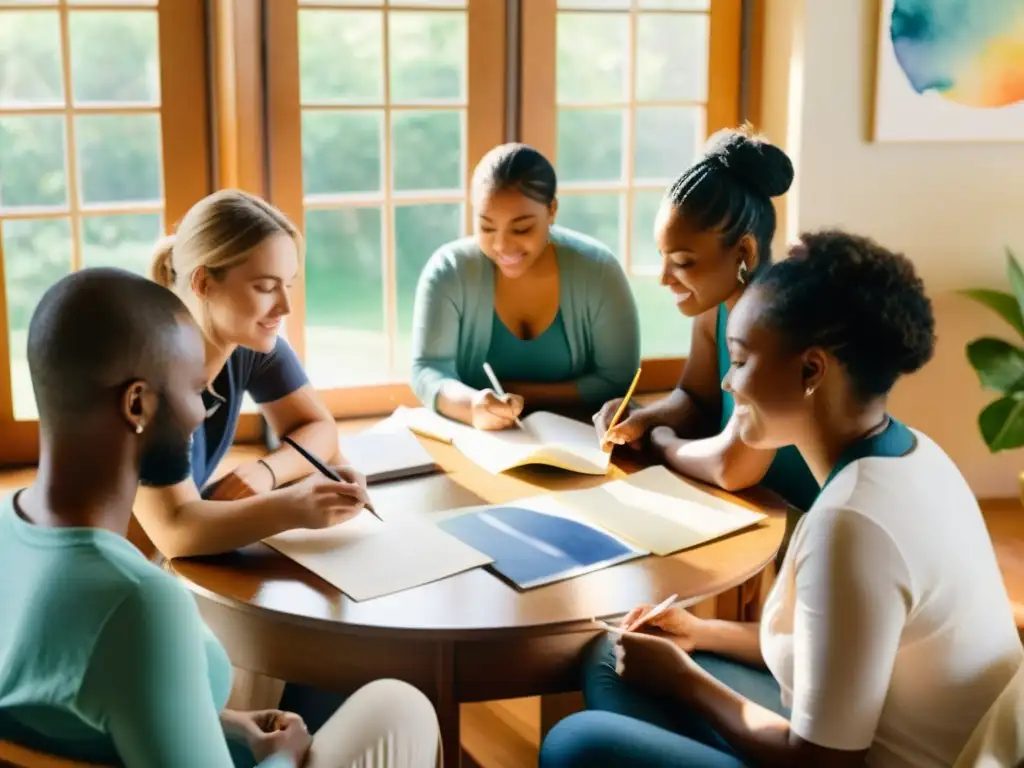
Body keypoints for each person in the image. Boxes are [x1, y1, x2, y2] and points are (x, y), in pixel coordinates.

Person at [541, 231, 1024, 767]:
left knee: (575, 743)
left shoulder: (853, 524)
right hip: (866, 731)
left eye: (741, 360)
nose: (726, 382)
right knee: (613, 658)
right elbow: (837, 649)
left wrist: (683, 682)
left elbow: (821, 763)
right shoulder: (917, 455)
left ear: (811, 371)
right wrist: (701, 633)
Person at [0, 268, 440, 767]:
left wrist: (220, 723)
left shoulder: (6, 527)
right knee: (403, 708)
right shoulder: (138, 603)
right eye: (195, 391)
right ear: (137, 404)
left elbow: (69, 709)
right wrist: (287, 757)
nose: (201, 414)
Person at [135, 189, 370, 559]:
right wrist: (293, 507)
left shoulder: (249, 343)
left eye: (288, 285)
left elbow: (321, 430)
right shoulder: (151, 371)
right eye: (265, 287)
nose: (285, 306)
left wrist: (266, 472)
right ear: (203, 283)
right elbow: (173, 532)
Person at [593, 127, 818, 512]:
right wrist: (643, 419)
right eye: (663, 258)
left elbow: (732, 467)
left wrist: (662, 442)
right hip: (745, 509)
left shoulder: (780, 324)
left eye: (681, 263)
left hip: (802, 520)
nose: (664, 278)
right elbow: (697, 400)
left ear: (743, 251)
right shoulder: (715, 308)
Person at [411, 142, 640, 431]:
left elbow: (617, 380)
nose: (501, 245)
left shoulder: (598, 270)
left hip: (582, 438)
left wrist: (521, 394)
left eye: (522, 229)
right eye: (486, 227)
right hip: (480, 442)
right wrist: (472, 406)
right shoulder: (448, 271)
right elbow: (428, 370)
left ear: (552, 210)